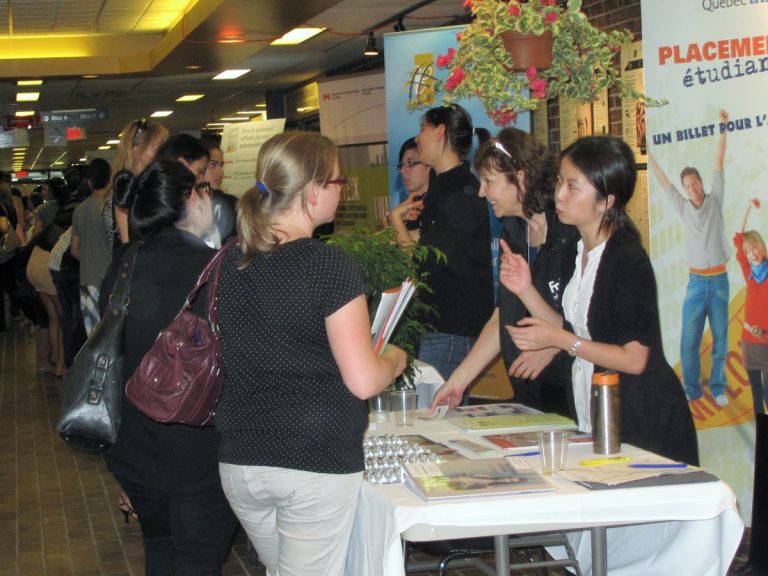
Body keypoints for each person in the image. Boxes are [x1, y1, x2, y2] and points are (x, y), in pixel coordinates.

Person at [215, 131, 407, 576]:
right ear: (313, 190)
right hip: (312, 460)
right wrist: (394, 360)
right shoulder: (325, 265)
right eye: (340, 181)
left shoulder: (230, 261)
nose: (344, 191)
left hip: (241, 459)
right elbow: (362, 379)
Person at [501, 136, 698, 465]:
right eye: (560, 182)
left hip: (642, 424)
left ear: (606, 201)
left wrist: (561, 341)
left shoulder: (626, 259)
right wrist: (524, 289)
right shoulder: (577, 251)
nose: (559, 194)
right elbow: (573, 326)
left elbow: (634, 358)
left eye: (573, 186)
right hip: (600, 417)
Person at [99, 159, 237, 575]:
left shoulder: (123, 262)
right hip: (197, 450)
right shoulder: (215, 267)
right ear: (192, 198)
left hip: (133, 444)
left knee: (159, 547)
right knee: (198, 557)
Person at [431, 127, 578, 416]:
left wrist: (556, 343)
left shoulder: (571, 234)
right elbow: (504, 316)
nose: (482, 192)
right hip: (532, 397)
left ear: (520, 178)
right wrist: (457, 382)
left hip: (576, 395)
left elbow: (588, 323)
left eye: (489, 182)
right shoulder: (514, 233)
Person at [389, 104, 494, 381]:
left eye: (423, 128)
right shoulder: (442, 183)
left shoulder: (461, 191)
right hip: (439, 324)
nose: (418, 138)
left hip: (451, 327)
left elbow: (420, 258)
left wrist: (397, 221)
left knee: (438, 411)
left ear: (440, 132)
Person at [648, 109, 730, 405]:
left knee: (721, 339)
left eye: (696, 183)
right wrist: (650, 155)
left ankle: (718, 387)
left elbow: (719, 165)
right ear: (684, 190)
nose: (693, 188)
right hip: (696, 283)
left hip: (720, 281)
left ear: (701, 183)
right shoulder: (682, 207)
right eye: (688, 186)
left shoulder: (715, 200)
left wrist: (723, 129)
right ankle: (692, 391)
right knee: (688, 341)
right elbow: (663, 181)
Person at [105, 118, 168, 251]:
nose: (164, 153)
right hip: (134, 264)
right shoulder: (124, 190)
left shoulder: (147, 185)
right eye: (159, 147)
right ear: (137, 149)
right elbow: (129, 243)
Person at [71, 158, 112, 335]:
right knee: (112, 336)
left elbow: (74, 250)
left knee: (93, 337)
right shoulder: (112, 207)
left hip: (88, 281)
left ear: (88, 182)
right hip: (111, 281)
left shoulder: (79, 210)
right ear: (110, 178)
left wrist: (90, 259)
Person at [734, 199, 767, 415]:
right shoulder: (749, 274)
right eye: (748, 251)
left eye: (754, 246)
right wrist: (747, 207)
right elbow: (738, 239)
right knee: (756, 397)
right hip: (751, 342)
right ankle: (762, 444)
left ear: (761, 245)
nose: (752, 252)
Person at [389, 137, 431, 239]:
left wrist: (396, 219)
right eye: (401, 165)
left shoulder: (439, 204)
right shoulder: (410, 206)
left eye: (411, 163)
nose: (403, 171)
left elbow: (415, 249)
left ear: (429, 164)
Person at [201, 138, 238, 248]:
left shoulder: (232, 204)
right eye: (212, 165)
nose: (221, 172)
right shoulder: (184, 206)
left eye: (221, 165)